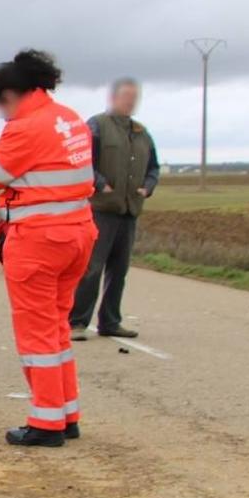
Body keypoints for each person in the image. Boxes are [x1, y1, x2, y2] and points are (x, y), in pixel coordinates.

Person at [0, 50, 97, 447]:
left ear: (10, 94)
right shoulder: (68, 118)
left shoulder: (27, 127)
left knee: (36, 333)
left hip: (39, 239)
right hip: (78, 234)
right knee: (56, 327)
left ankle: (46, 423)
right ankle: (66, 413)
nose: (0, 113)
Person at [69, 78, 159, 340]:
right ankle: (76, 321)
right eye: (126, 96)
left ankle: (110, 321)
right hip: (101, 209)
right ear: (113, 98)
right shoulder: (97, 125)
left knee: (119, 270)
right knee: (92, 267)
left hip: (129, 210)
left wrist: (148, 186)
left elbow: (153, 167)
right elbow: (83, 160)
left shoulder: (142, 133)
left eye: (135, 97)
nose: (131, 101)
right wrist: (100, 184)